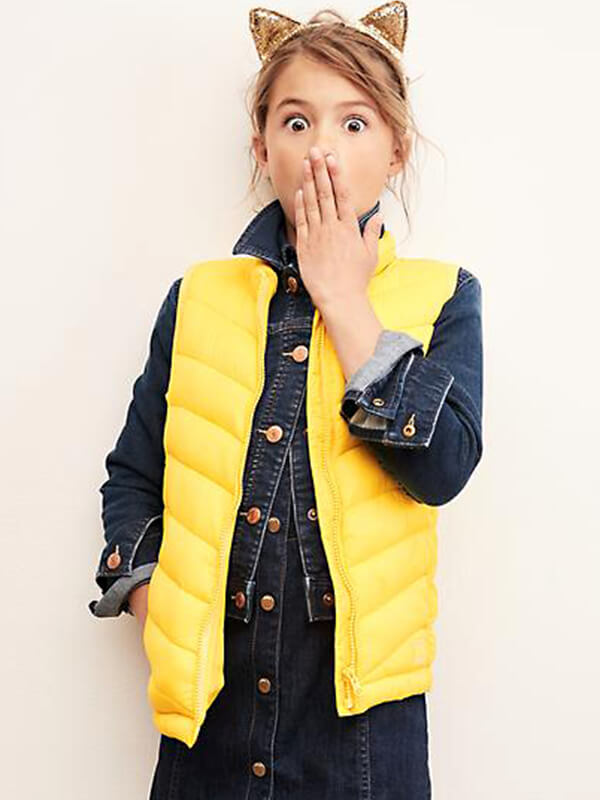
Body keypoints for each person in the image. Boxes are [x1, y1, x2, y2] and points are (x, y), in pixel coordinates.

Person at [88, 4, 484, 798]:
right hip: (209, 720)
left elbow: (442, 468)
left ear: (397, 149)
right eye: (296, 122)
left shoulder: (443, 296)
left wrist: (345, 300)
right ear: (262, 146)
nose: (322, 148)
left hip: (363, 730)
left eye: (355, 122)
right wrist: (152, 600)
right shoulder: (198, 298)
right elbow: (132, 473)